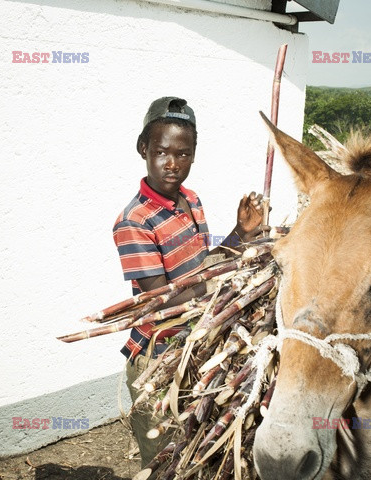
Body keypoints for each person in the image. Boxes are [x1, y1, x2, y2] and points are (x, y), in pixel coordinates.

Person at [113, 96, 266, 466]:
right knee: (164, 463)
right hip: (157, 359)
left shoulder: (191, 200)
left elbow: (205, 268)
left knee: (195, 455)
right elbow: (161, 300)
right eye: (162, 152)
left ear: (194, 155)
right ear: (143, 149)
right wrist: (225, 288)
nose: (172, 164)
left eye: (183, 154)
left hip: (195, 346)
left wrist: (241, 234)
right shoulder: (134, 221)